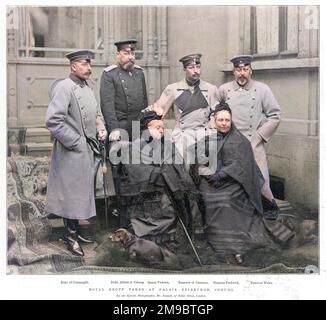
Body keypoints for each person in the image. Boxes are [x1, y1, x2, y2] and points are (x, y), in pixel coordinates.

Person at [193, 101, 294, 264]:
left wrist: (222, 175)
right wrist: (204, 170)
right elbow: (197, 157)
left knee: (225, 200)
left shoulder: (240, 141)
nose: (224, 123)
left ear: (231, 121)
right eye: (220, 120)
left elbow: (240, 164)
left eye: (227, 120)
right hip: (212, 181)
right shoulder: (208, 140)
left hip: (236, 183)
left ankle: (233, 245)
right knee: (205, 195)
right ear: (215, 121)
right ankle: (215, 238)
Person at [45, 50, 107, 256]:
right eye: (84, 64)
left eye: (89, 64)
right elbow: (53, 121)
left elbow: (96, 113)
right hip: (70, 149)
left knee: (81, 192)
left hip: (87, 148)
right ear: (73, 66)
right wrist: (76, 142)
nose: (89, 68)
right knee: (71, 193)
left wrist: (100, 127)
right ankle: (70, 236)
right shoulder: (64, 87)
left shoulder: (87, 87)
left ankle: (77, 231)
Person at [109, 110, 198, 246]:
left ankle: (170, 242)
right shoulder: (136, 147)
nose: (161, 131)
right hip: (147, 192)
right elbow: (137, 171)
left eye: (162, 128)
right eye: (157, 128)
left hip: (168, 189)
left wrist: (170, 175)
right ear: (146, 129)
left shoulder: (168, 146)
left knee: (182, 201)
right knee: (161, 204)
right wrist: (161, 174)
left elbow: (178, 166)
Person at [218, 55, 282, 219]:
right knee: (232, 180)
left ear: (251, 70)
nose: (242, 73)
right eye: (238, 70)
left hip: (253, 143)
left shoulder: (262, 89)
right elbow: (216, 113)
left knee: (260, 181)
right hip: (231, 144)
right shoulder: (224, 90)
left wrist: (259, 136)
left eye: (245, 69)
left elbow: (275, 115)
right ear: (234, 71)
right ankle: (238, 216)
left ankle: (266, 214)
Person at [150, 53, 219, 159]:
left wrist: (212, 131)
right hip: (183, 137)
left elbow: (216, 115)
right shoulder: (173, 89)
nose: (196, 71)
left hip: (204, 137)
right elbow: (158, 113)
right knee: (183, 170)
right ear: (184, 69)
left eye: (198, 67)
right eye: (191, 67)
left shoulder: (211, 89)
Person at [100, 39, 148, 142]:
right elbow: (107, 106)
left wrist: (145, 124)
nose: (130, 57)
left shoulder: (139, 73)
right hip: (120, 126)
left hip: (137, 125)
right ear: (118, 55)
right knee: (121, 156)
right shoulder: (110, 74)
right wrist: (114, 128)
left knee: (137, 155)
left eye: (132, 53)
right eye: (126, 53)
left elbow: (144, 101)